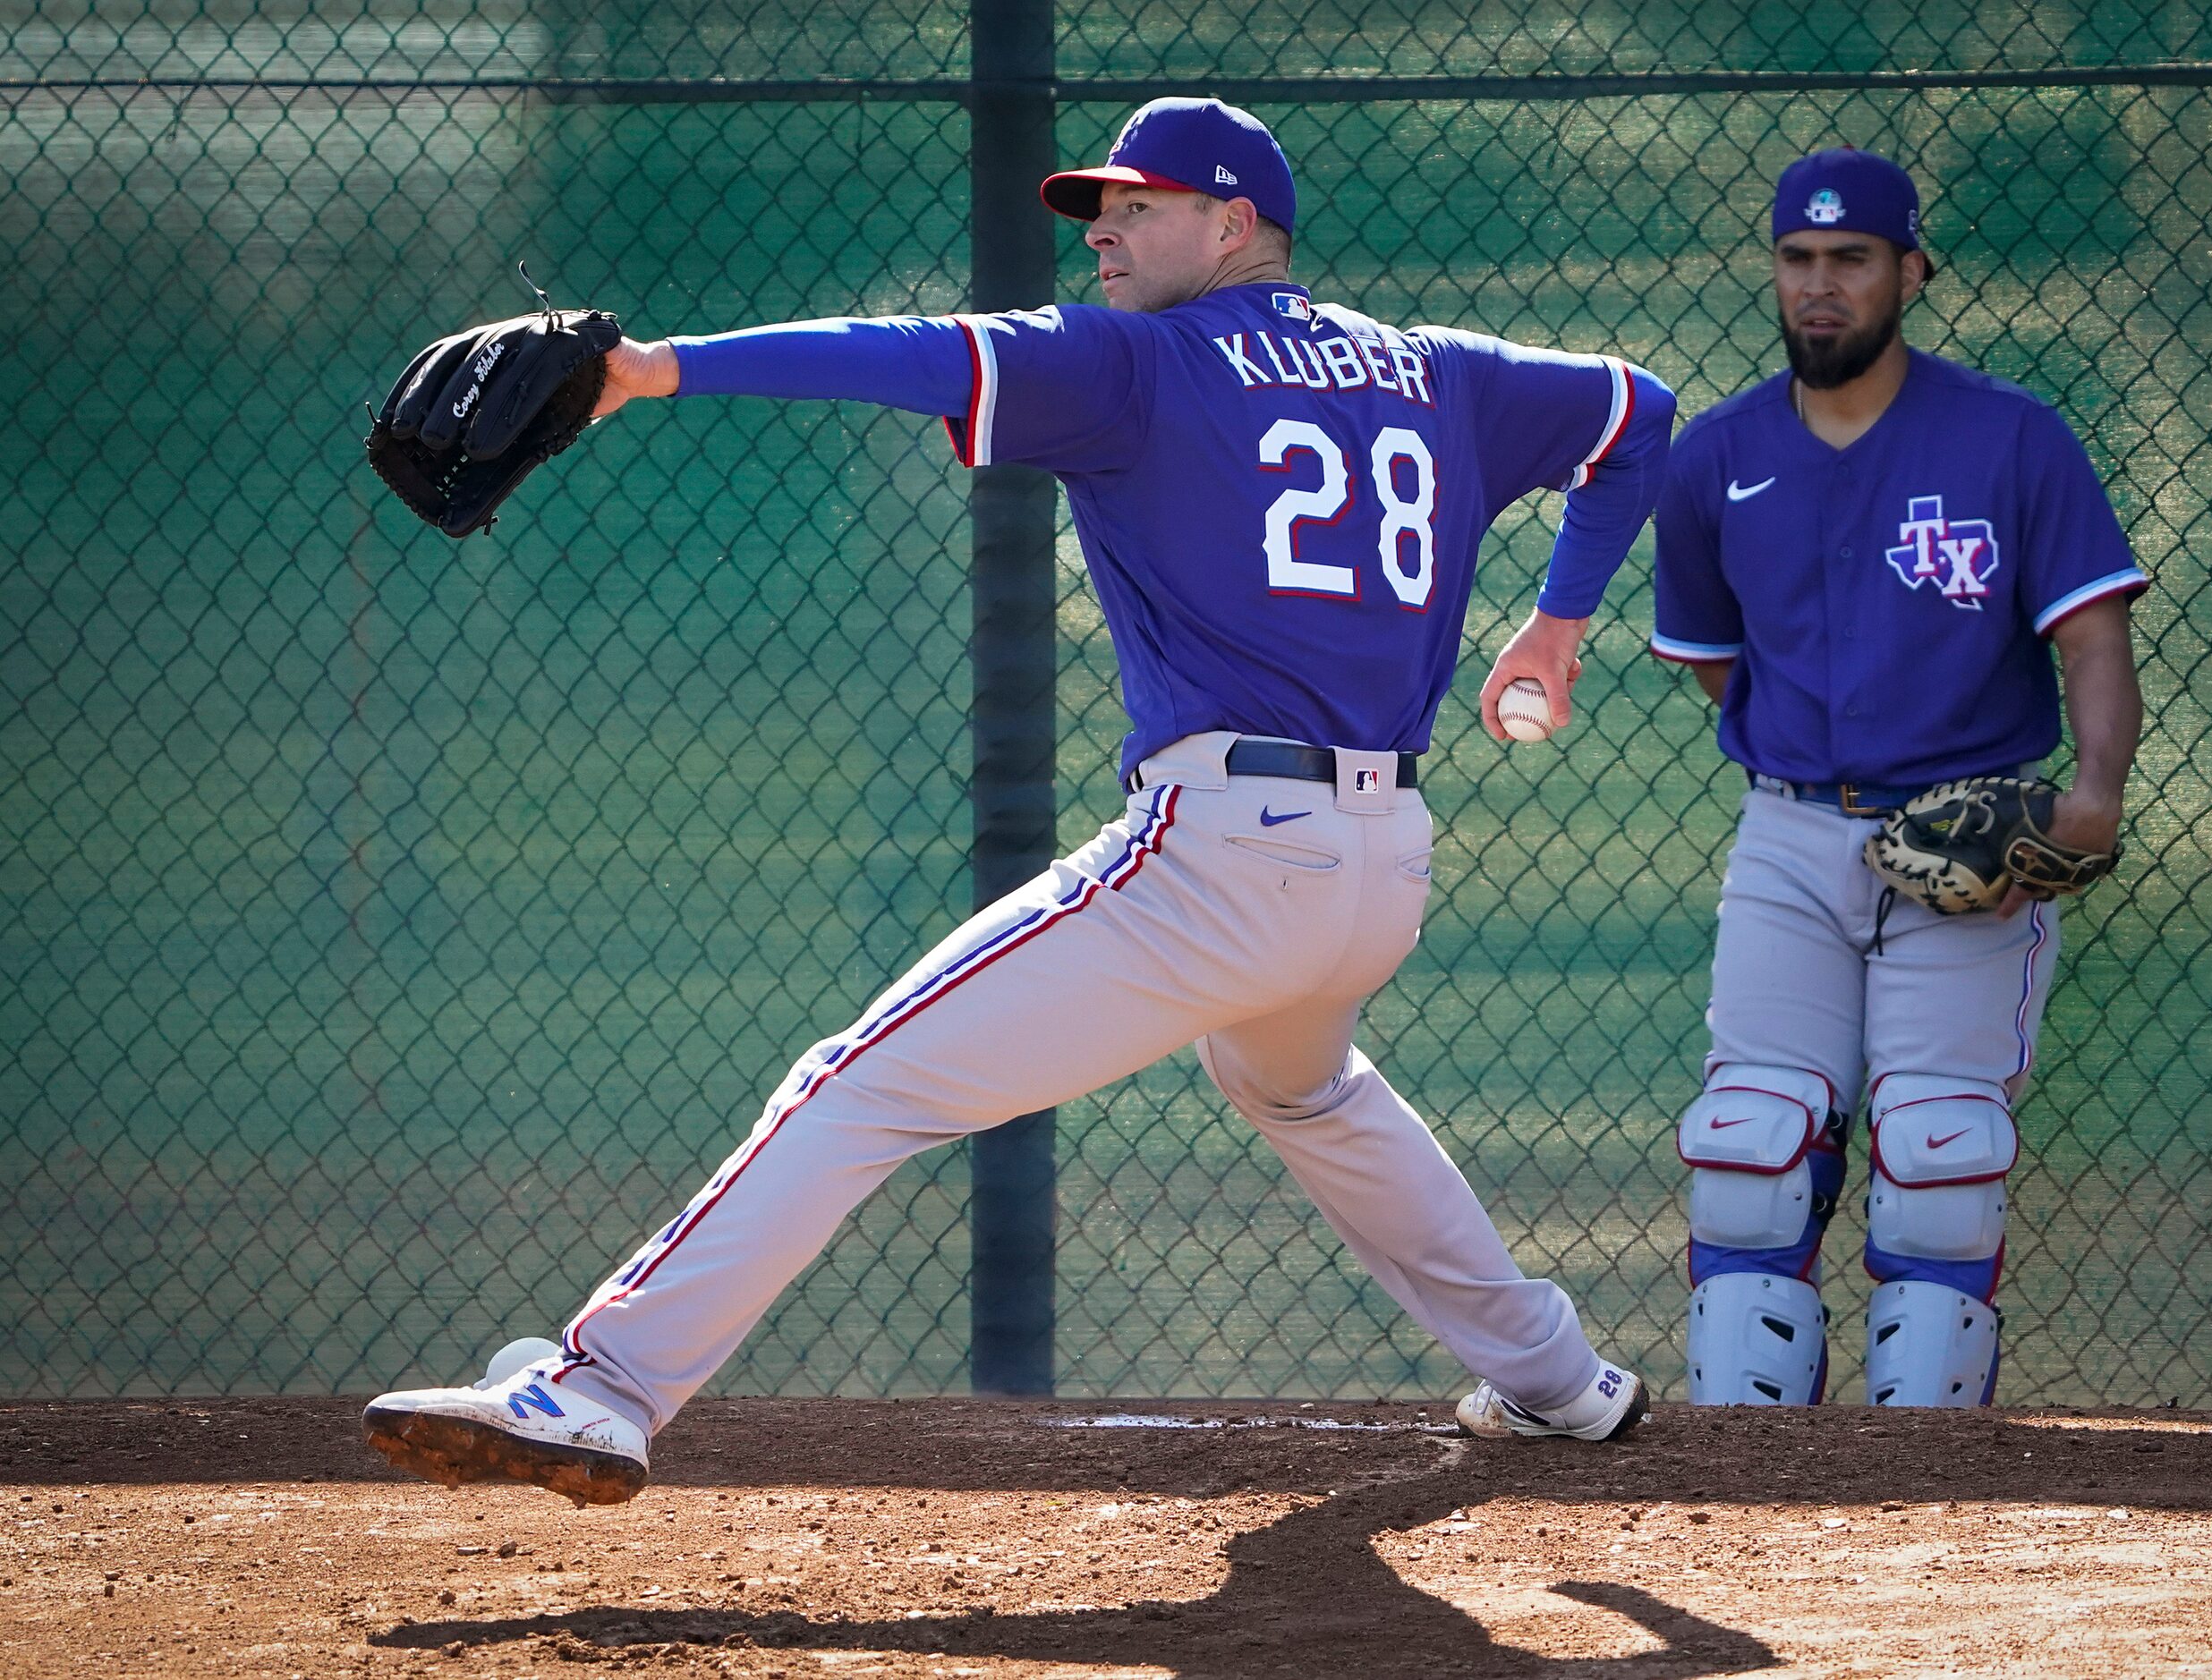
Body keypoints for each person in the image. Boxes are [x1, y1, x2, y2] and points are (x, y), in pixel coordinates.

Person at [362, 97, 1674, 1503]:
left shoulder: (1138, 361)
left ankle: (601, 1385)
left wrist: (658, 367)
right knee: (1302, 1084)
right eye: (1093, 207)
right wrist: (1561, 622)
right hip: (1379, 868)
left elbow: (907, 353)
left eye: (1137, 204)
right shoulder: (1436, 369)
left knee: (858, 1082)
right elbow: (1635, 411)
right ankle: (1554, 1378)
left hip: (1221, 860)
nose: (1101, 230)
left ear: (1234, 225)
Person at [1629, 147, 2146, 1406]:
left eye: (1850, 260)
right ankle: (1755, 1493)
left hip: (1969, 846)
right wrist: (1814, 767)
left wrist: (2091, 795)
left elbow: (2093, 634)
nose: (1820, 285)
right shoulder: (1717, 456)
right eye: (1797, 260)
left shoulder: (2009, 439)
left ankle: (1921, 1500)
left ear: (1910, 271)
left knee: (1939, 1151)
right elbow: (1715, 661)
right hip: (1788, 840)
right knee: (1752, 1146)